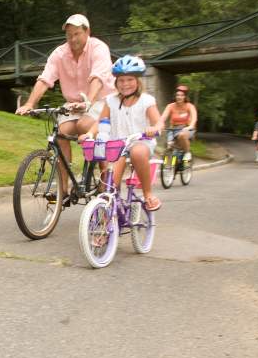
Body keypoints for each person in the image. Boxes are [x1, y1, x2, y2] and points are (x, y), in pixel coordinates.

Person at [15, 14, 116, 204]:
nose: (72, 39)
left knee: (87, 126)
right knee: (61, 134)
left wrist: (89, 102)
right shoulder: (59, 53)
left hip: (100, 99)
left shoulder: (99, 48)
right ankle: (64, 188)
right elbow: (45, 79)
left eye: (77, 34)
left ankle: (105, 179)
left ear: (87, 32)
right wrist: (30, 103)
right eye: (69, 35)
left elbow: (97, 78)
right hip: (73, 104)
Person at [98, 55, 164, 211]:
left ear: (137, 81)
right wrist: (88, 133)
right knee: (109, 183)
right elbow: (101, 122)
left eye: (129, 79)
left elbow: (159, 122)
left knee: (138, 152)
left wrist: (154, 128)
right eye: (121, 80)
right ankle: (108, 211)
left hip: (141, 141)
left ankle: (148, 194)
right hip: (117, 145)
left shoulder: (146, 100)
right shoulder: (110, 100)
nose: (125, 84)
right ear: (116, 82)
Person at [160, 85, 198, 161]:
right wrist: (159, 125)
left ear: (185, 97)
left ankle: (187, 153)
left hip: (186, 128)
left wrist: (190, 126)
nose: (179, 97)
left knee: (182, 135)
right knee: (170, 146)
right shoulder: (170, 106)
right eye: (177, 95)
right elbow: (163, 118)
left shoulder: (190, 106)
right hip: (173, 129)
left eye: (181, 95)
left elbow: (194, 118)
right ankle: (171, 164)